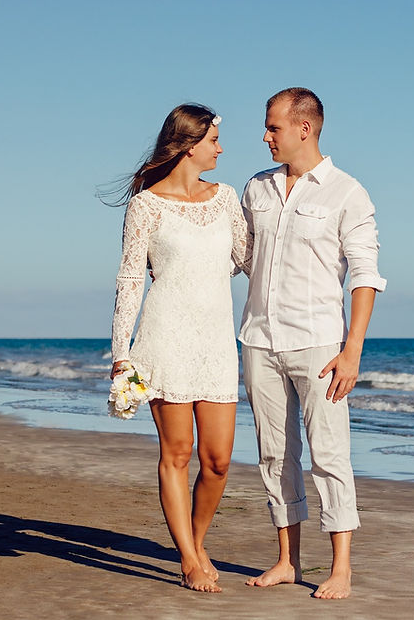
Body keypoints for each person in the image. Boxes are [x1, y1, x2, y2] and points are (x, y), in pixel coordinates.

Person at [238, 87, 386, 599]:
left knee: (329, 454)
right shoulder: (256, 188)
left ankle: (341, 567)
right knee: (274, 455)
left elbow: (365, 276)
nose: (265, 136)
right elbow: (240, 256)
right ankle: (288, 560)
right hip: (259, 339)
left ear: (304, 128)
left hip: (321, 345)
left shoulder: (347, 192)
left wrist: (353, 349)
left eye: (273, 127)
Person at [109, 103, 249, 593]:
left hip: (216, 342)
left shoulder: (225, 198)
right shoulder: (146, 205)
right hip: (164, 338)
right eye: (214, 140)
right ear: (188, 145)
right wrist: (120, 354)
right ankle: (189, 558)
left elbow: (246, 259)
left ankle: (196, 540)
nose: (221, 149)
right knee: (177, 452)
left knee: (218, 461)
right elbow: (130, 279)